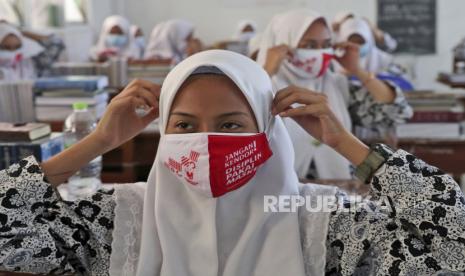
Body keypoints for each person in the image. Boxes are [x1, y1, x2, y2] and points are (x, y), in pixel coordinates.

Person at [1, 50, 465, 275]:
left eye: (230, 124)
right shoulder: (119, 219)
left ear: (267, 130)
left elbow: (452, 243)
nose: (206, 141)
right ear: (163, 134)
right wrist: (98, 141)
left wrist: (346, 144)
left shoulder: (322, 223)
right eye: (184, 126)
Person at [257, 10, 412, 179]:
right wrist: (265, 71)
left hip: (338, 192)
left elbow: (397, 112)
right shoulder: (262, 87)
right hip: (276, 195)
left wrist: (357, 70)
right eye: (309, 46)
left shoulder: (337, 85)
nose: (321, 52)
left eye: (327, 44)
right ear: (282, 45)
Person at [0, 22, 65, 80]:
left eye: (17, 47)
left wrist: (20, 31)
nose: (12, 52)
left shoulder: (35, 64)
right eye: (6, 47)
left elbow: (56, 42)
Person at [332, 11, 398, 53]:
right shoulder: (335, 59)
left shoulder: (378, 59)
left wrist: (375, 31)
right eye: (352, 42)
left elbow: (392, 45)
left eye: (360, 42)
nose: (357, 46)